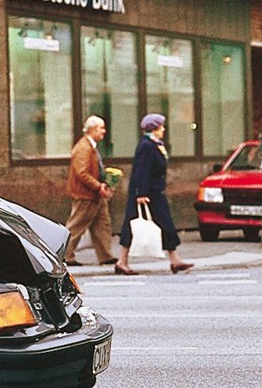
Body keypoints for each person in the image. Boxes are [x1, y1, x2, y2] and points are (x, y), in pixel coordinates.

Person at [115, 113, 194, 275]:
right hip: (147, 194)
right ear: (154, 128)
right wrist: (141, 194)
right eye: (161, 127)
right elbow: (141, 171)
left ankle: (174, 259)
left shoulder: (155, 144)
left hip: (155, 192)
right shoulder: (146, 145)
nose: (163, 129)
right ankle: (122, 261)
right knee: (134, 226)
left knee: (165, 225)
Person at [63, 115, 118, 267]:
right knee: (76, 226)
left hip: (94, 195)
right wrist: (98, 186)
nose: (104, 131)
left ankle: (105, 255)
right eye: (101, 128)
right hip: (85, 195)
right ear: (92, 130)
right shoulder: (84, 148)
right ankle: (65, 255)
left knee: (103, 225)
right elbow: (82, 173)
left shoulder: (90, 146)